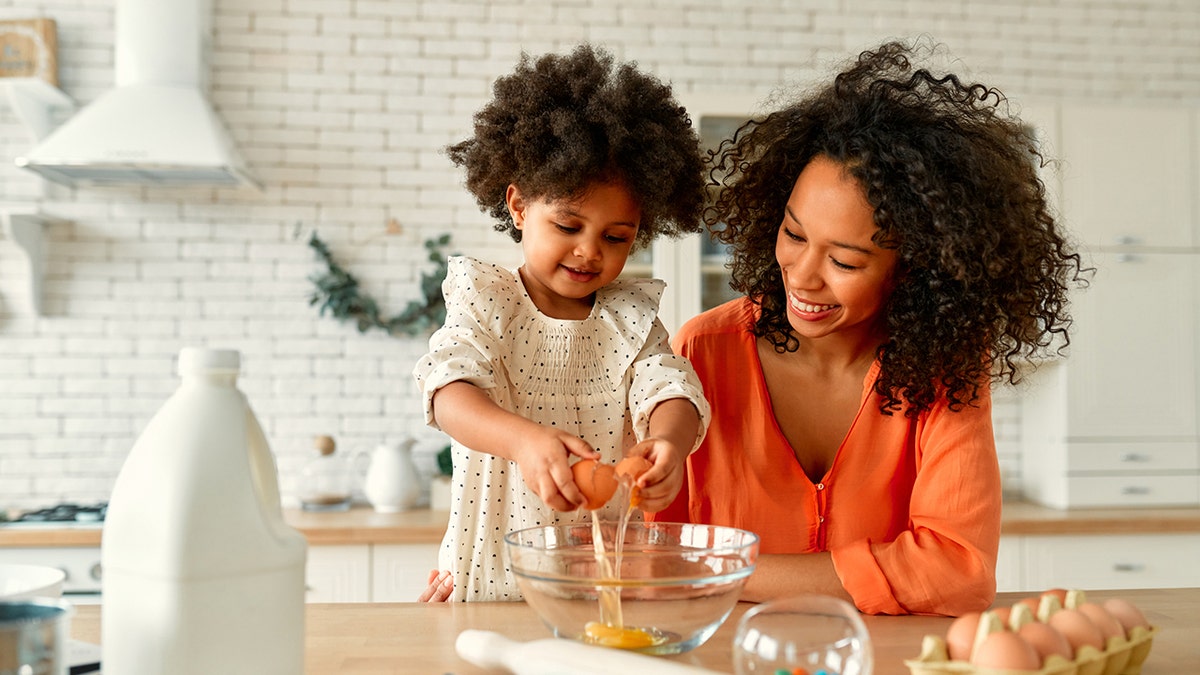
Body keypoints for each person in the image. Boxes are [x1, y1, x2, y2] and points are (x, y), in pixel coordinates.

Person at [647, 40, 1086, 617]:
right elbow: (656, 557)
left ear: (915, 267)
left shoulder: (945, 371)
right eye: (795, 234)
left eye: (846, 262)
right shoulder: (704, 350)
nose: (801, 278)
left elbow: (959, 573)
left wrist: (729, 566)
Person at [413, 45, 712, 602]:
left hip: (602, 582)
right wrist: (525, 443)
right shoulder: (487, 301)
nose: (588, 252)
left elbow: (670, 390)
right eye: (569, 225)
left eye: (616, 237)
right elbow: (447, 392)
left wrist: (668, 443)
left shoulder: (629, 318)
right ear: (519, 206)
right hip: (488, 576)